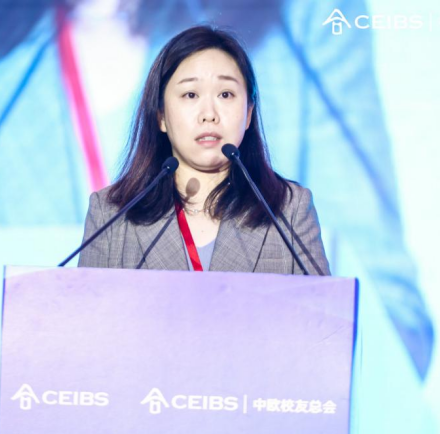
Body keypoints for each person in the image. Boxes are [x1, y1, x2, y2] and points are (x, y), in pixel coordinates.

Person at [78, 26, 329, 275]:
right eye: (190, 95)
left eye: (226, 94)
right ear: (161, 115)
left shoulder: (289, 209)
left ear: (249, 113)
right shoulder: (111, 214)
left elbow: (323, 301)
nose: (209, 114)